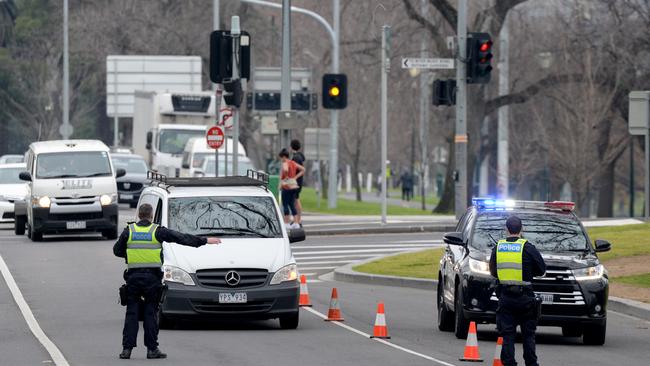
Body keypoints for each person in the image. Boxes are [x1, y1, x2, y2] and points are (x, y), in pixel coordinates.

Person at [113, 204, 221, 360]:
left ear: (138, 216)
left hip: (133, 279)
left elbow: (117, 251)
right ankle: (152, 350)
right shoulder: (157, 231)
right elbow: (181, 238)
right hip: (152, 279)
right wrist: (204, 240)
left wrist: (131, 255)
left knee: (132, 314)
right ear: (150, 216)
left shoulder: (128, 231)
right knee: (150, 313)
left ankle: (126, 350)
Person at [489, 216, 546, 366]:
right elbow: (542, 269)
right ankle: (531, 364)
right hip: (525, 298)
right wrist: (528, 272)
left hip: (506, 297)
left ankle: (509, 363)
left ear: (506, 229)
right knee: (528, 335)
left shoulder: (498, 247)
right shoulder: (528, 247)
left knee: (507, 335)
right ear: (522, 229)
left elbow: (493, 272)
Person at [279, 148, 305, 229]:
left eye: (280, 158)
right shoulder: (293, 163)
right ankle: (296, 223)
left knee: (285, 204)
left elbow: (286, 170)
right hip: (294, 185)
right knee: (291, 204)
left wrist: (285, 179)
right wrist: (295, 177)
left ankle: (286, 222)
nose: (281, 159)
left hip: (286, 186)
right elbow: (303, 169)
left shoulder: (285, 163)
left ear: (283, 157)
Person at [290, 139, 306, 227]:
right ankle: (297, 220)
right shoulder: (300, 156)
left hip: (296, 183)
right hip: (298, 182)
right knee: (296, 200)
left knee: (296, 200)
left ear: (291, 147)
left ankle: (298, 220)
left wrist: (293, 178)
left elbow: (300, 171)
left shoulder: (296, 158)